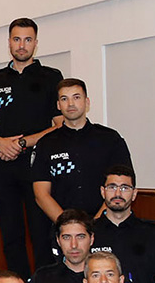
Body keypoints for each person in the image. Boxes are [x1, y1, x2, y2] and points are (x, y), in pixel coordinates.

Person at [0, 18, 65, 277]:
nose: (22, 45)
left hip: (38, 166)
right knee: (10, 235)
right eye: (17, 39)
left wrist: (24, 141)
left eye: (28, 40)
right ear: (9, 43)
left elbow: (59, 126)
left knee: (41, 233)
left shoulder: (51, 78)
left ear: (36, 43)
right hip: (2, 166)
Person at [32, 78, 132, 221]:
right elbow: (41, 194)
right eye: (64, 99)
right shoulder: (46, 144)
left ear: (87, 102)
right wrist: (68, 226)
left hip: (105, 225)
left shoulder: (110, 139)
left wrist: (95, 225)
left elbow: (122, 186)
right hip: (62, 228)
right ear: (58, 105)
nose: (71, 104)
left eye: (76, 97)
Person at [29, 210, 96, 283]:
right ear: (58, 240)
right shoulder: (42, 278)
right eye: (66, 237)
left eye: (80, 237)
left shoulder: (106, 278)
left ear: (91, 239)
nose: (73, 245)